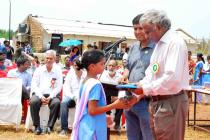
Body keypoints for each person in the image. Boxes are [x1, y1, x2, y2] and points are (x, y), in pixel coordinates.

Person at [132, 10, 189, 140]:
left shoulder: (175, 43)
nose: (146, 36)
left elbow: (172, 78)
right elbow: (152, 72)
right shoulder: (159, 45)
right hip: (157, 101)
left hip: (171, 101)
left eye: (147, 31)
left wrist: (145, 88)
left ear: (157, 26)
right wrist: (141, 84)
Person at [71, 49, 128, 140]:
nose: (104, 66)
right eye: (102, 64)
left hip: (85, 126)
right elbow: (92, 110)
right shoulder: (95, 85)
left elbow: (86, 108)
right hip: (92, 130)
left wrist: (103, 116)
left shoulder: (85, 81)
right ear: (92, 66)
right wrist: (115, 105)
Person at [120, 14, 155, 140]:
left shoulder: (157, 48)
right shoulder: (134, 47)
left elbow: (156, 77)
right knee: (132, 136)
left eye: (140, 28)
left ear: (148, 28)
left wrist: (140, 94)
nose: (137, 32)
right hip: (130, 99)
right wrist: (124, 75)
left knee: (148, 136)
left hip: (146, 101)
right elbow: (128, 67)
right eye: (135, 29)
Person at [30, 50, 63, 135]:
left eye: (51, 58)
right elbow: (34, 85)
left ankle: (50, 126)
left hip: (52, 94)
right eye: (47, 58)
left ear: (54, 59)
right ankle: (37, 127)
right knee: (33, 102)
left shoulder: (58, 70)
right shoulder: (38, 70)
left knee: (56, 103)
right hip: (39, 94)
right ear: (44, 59)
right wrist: (41, 96)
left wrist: (51, 96)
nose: (48, 60)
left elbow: (59, 86)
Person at [59, 59, 86, 136]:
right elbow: (66, 89)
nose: (76, 67)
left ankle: (82, 128)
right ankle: (64, 129)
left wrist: (81, 97)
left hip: (83, 97)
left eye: (78, 65)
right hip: (72, 97)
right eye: (74, 65)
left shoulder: (86, 74)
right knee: (64, 103)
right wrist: (73, 97)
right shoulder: (70, 74)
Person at [100, 59, 123, 133]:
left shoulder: (120, 77)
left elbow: (123, 90)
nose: (111, 67)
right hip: (105, 97)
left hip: (116, 97)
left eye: (113, 66)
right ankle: (105, 125)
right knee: (105, 100)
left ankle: (117, 124)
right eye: (109, 65)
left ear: (116, 67)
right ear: (107, 66)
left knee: (121, 101)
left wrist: (118, 97)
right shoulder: (102, 75)